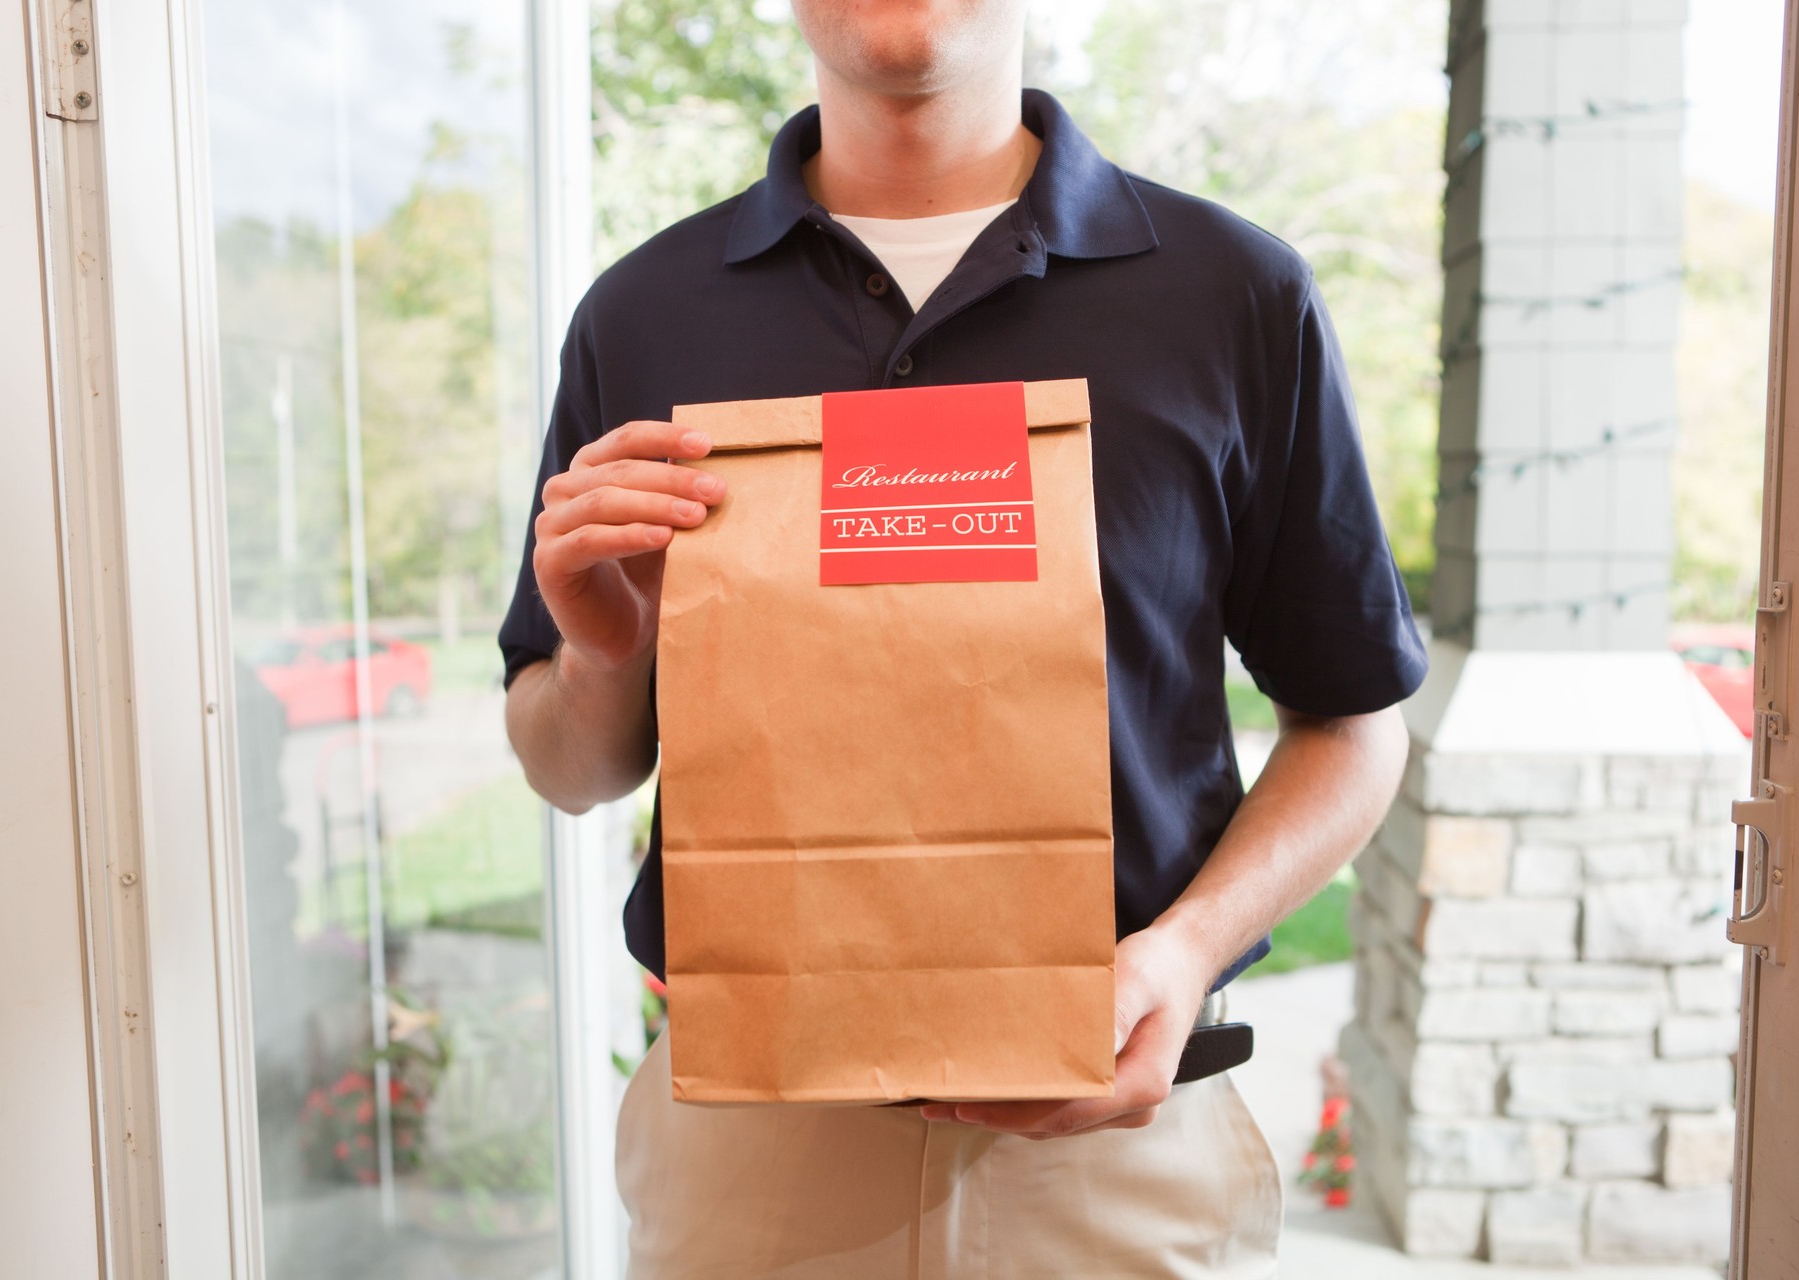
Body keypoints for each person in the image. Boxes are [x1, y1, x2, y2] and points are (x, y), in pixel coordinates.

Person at [499, 1, 1426, 1274]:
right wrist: (606, 652)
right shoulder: (646, 313)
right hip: (755, 1144)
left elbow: (1356, 722)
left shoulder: (1234, 294)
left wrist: (1183, 951)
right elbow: (571, 766)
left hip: (1114, 1139)